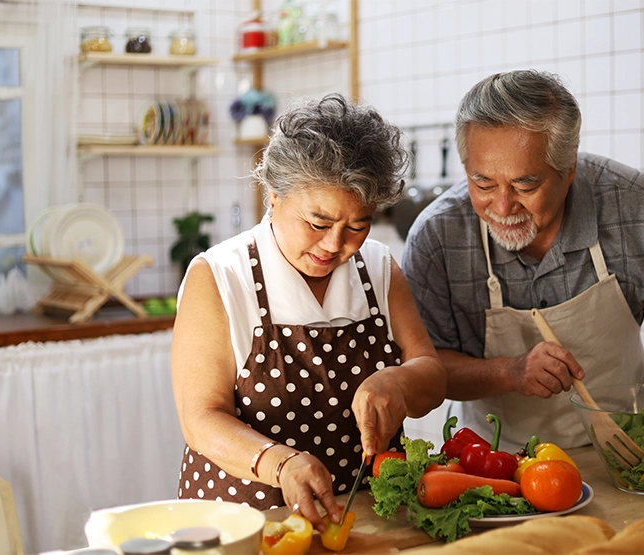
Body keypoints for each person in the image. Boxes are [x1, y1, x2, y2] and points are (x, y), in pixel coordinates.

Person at [401, 70, 644, 452]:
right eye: (483, 183)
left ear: (569, 170)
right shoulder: (437, 236)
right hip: (498, 463)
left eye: (525, 185)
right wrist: (510, 372)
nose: (502, 207)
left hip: (627, 452)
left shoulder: (631, 202)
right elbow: (428, 368)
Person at [171, 93, 446, 531]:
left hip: (364, 522)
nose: (336, 244)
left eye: (358, 225)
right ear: (273, 194)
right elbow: (201, 419)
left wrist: (399, 380)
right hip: (246, 526)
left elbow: (432, 375)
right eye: (318, 223)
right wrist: (279, 463)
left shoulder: (377, 267)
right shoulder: (221, 276)